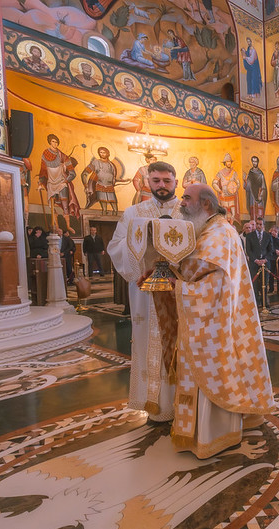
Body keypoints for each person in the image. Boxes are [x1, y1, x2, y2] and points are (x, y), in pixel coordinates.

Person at [151, 183, 275, 458]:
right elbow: (189, 266)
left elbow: (215, 284)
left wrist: (179, 287)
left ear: (205, 204)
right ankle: (198, 430)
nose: (181, 202)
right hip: (206, 318)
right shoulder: (206, 229)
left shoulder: (220, 233)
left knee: (213, 372)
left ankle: (215, 434)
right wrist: (163, 270)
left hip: (213, 319)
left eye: (186, 198)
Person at [107, 161, 182, 423]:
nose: (162, 185)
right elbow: (115, 245)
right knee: (149, 341)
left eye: (167, 180)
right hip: (146, 292)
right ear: (148, 181)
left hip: (180, 291)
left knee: (183, 343)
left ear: (176, 181)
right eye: (156, 180)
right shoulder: (133, 213)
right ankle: (157, 406)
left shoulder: (186, 210)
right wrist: (141, 261)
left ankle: (186, 406)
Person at [38, 134, 80, 233]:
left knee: (65, 204)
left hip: (61, 182)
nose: (55, 143)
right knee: (52, 205)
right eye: (53, 141)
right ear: (49, 142)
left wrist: (66, 180)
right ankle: (56, 227)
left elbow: (72, 173)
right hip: (51, 183)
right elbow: (43, 170)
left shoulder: (63, 156)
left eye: (56, 142)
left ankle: (68, 226)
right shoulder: (45, 154)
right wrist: (40, 182)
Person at [245, 218, 275, 306]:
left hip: (265, 263)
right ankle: (255, 303)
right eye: (257, 224)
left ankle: (264, 301)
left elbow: (270, 250)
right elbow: (248, 250)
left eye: (261, 224)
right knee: (254, 284)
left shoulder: (268, 236)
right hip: (254, 263)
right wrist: (256, 260)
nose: (258, 226)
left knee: (264, 283)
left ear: (263, 225)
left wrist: (265, 260)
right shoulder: (250, 236)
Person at [82, 146, 118, 215]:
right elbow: (85, 173)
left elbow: (113, 176)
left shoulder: (111, 164)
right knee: (103, 202)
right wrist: (85, 184)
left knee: (113, 202)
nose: (102, 154)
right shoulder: (96, 162)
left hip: (110, 185)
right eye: (100, 152)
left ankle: (115, 214)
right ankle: (104, 213)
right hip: (100, 184)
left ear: (107, 153)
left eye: (104, 152)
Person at [213, 153, 241, 221]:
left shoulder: (234, 173)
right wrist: (220, 191)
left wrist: (234, 188)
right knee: (224, 214)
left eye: (229, 161)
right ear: (225, 163)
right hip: (224, 195)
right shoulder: (220, 173)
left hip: (232, 195)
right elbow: (214, 183)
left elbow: (238, 183)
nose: (229, 163)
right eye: (227, 161)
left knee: (233, 214)